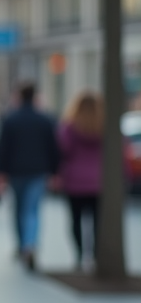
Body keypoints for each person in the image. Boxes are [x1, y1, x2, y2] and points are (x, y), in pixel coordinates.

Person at [0, 82, 60, 272]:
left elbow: (2, 150)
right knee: (32, 210)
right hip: (38, 171)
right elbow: (53, 149)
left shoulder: (11, 119)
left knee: (19, 209)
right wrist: (55, 173)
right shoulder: (45, 119)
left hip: (16, 172)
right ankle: (30, 244)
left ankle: (23, 245)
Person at [56, 91, 104, 271]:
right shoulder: (105, 127)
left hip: (74, 182)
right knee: (97, 223)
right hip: (99, 183)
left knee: (76, 221)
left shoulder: (70, 128)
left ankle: (80, 254)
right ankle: (96, 256)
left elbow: (62, 150)